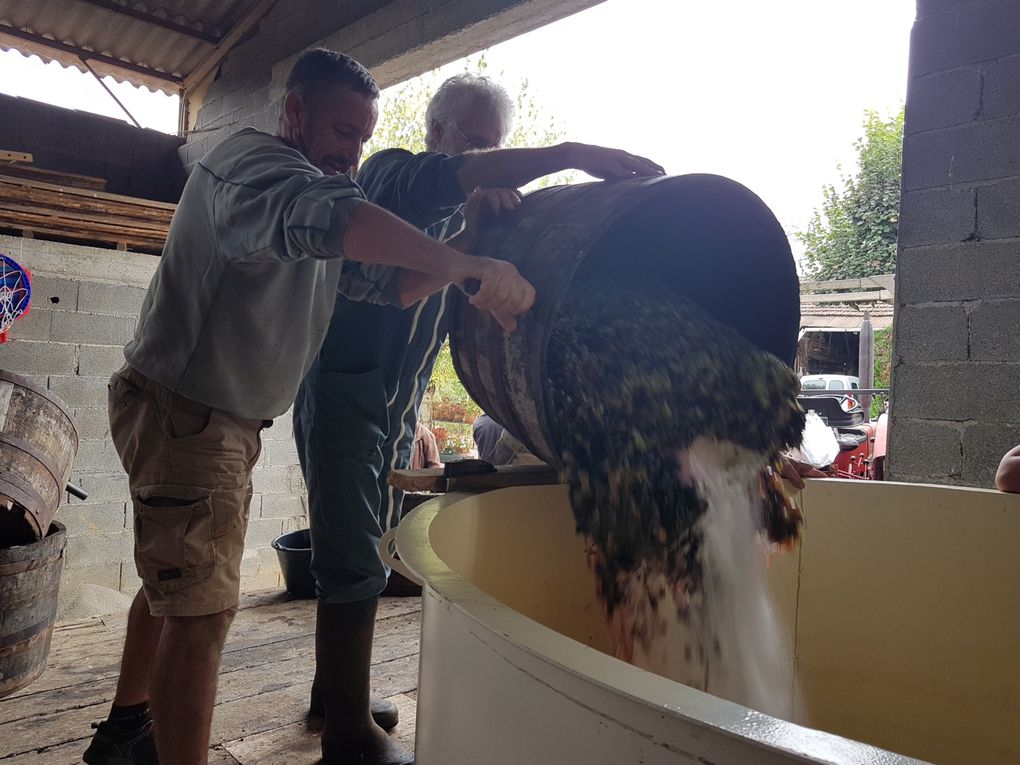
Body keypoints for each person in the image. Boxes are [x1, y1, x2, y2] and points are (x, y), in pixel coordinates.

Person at [83, 50, 534, 765]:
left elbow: (377, 285)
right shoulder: (256, 167)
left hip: (211, 417)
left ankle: (125, 729)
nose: (351, 151)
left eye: (361, 136)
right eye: (340, 130)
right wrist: (471, 263)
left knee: (173, 582)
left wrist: (465, 251)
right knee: (203, 613)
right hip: (188, 414)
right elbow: (336, 216)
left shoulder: (318, 186)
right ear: (293, 112)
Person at [294, 73, 663, 764]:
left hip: (390, 406)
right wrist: (570, 153)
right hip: (342, 397)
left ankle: (331, 690)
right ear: (437, 133)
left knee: (365, 543)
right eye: (473, 141)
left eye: (497, 144)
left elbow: (444, 286)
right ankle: (347, 733)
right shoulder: (388, 173)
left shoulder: (456, 226)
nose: (486, 156)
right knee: (349, 556)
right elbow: (437, 209)